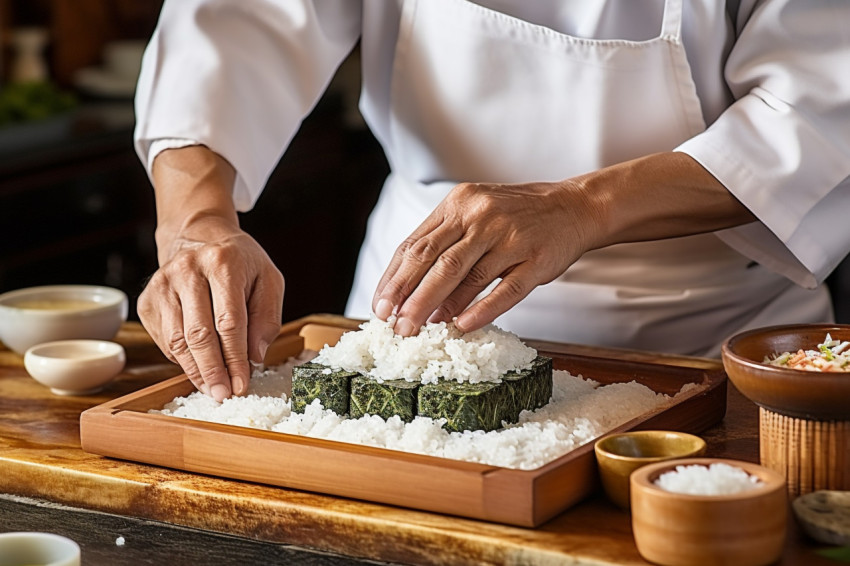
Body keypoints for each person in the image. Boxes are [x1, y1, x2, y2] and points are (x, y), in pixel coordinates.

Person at [134, 0, 850, 402]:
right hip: (410, 324)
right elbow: (232, 22)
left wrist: (583, 206)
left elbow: (817, 118)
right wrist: (195, 225)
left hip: (706, 342)